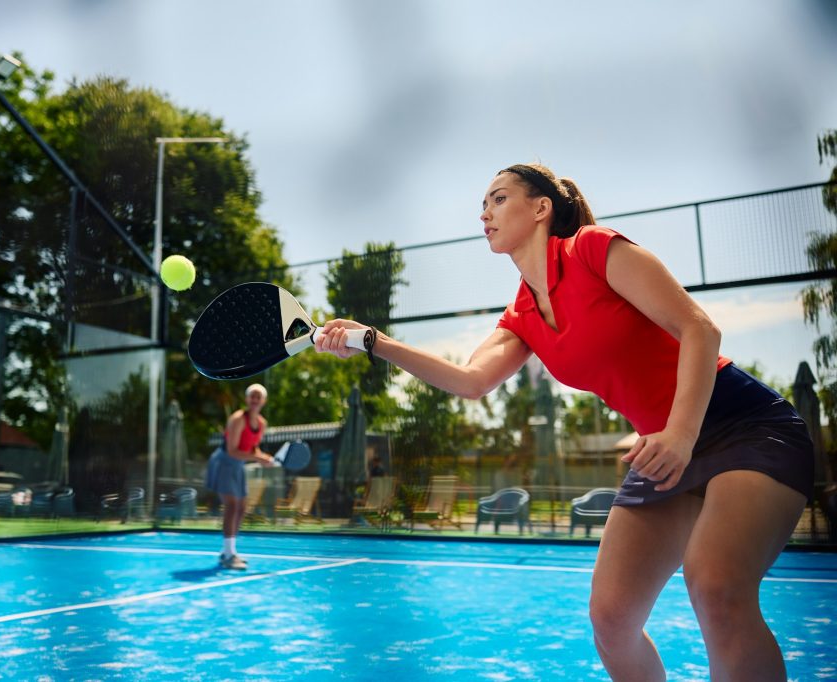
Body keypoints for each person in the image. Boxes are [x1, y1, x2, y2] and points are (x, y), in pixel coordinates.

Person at [314, 163, 814, 681]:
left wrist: (681, 434)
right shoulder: (522, 315)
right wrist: (373, 340)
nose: (484, 213)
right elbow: (470, 381)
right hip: (663, 449)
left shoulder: (593, 250)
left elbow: (699, 328)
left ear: (540, 208)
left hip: (745, 424)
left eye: (498, 198)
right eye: (482, 204)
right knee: (611, 617)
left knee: (716, 587)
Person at [204, 383, 275, 570]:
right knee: (232, 505)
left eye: (258, 397)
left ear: (263, 401)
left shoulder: (262, 424)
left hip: (238, 465)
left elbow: (252, 447)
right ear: (247, 399)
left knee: (242, 507)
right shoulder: (237, 419)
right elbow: (232, 450)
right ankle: (228, 555)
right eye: (252, 396)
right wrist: (258, 458)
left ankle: (229, 551)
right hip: (224, 462)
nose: (255, 400)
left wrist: (263, 457)